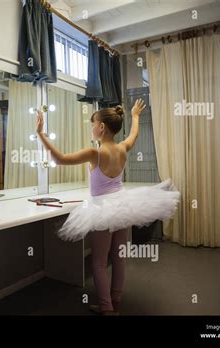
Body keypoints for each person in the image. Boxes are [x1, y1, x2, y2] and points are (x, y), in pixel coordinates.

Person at [36, 99, 180, 315]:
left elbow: (60, 159)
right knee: (119, 257)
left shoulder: (94, 153)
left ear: (101, 127)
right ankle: (116, 299)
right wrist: (136, 116)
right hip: (122, 205)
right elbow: (134, 136)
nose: (92, 127)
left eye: (93, 123)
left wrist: (40, 133)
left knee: (99, 263)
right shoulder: (122, 148)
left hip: (103, 210)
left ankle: (106, 308)